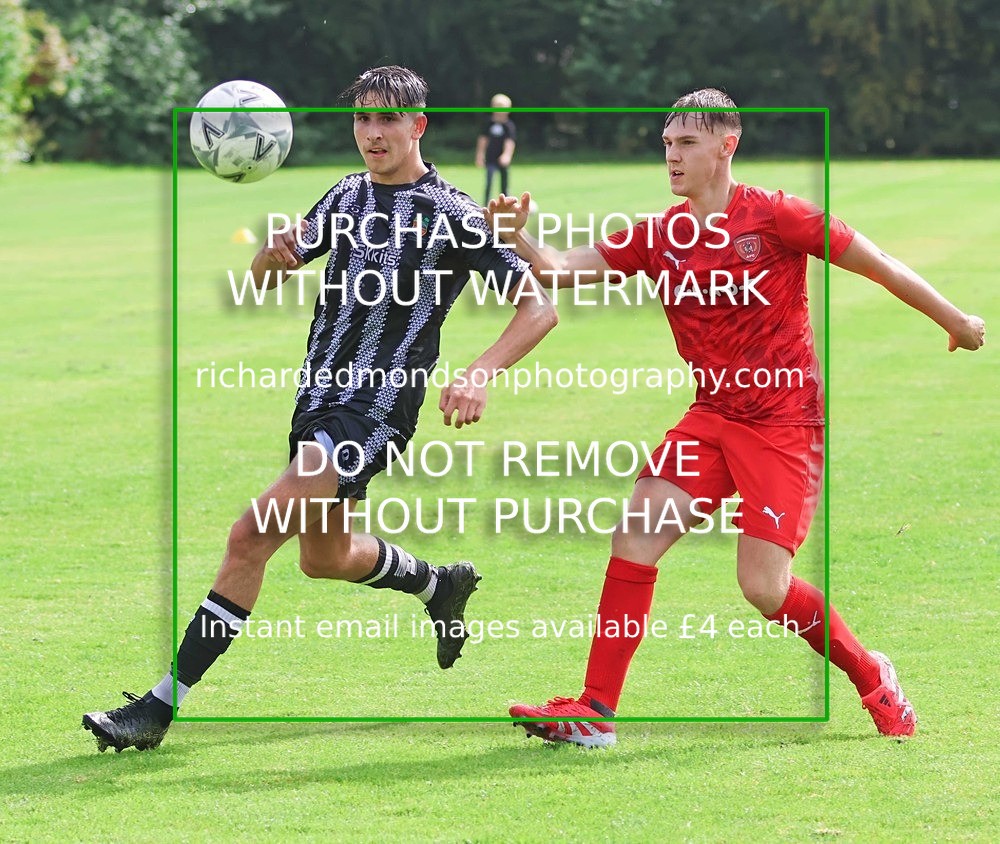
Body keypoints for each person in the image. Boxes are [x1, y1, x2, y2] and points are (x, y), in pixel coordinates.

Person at [489, 88, 985, 747]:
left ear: (727, 146)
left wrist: (955, 320)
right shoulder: (660, 235)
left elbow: (879, 263)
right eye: (667, 143)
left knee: (763, 588)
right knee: (634, 536)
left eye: (686, 143)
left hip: (784, 425)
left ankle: (872, 674)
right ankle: (595, 709)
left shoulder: (777, 216)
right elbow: (559, 267)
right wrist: (517, 237)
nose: (672, 155)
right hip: (712, 417)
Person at [83, 65, 557, 753]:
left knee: (250, 536)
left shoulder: (453, 213)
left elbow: (538, 307)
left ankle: (157, 708)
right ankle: (438, 586)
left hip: (376, 411)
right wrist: (272, 256)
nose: (372, 133)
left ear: (418, 125)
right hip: (318, 404)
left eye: (387, 119)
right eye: (362, 118)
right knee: (325, 557)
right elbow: (261, 279)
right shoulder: (345, 195)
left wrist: (479, 373)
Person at [475, 93, 517, 206]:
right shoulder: (489, 123)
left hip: (502, 160)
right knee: (489, 182)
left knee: (504, 183)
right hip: (490, 158)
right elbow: (483, 140)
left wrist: (507, 155)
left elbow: (510, 142)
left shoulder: (509, 125)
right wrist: (480, 155)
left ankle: (506, 204)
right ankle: (485, 205)